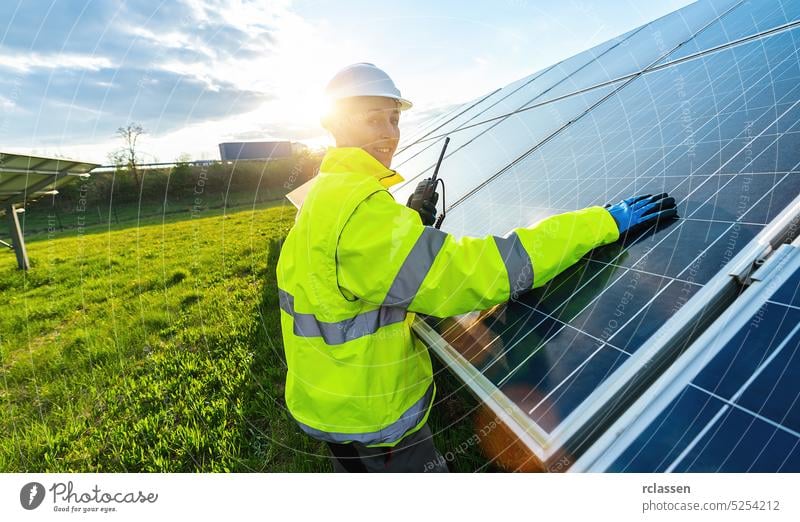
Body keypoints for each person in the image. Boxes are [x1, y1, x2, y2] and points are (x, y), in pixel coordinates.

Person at [275, 62, 677, 473]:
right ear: (334, 123)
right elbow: (477, 273)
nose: (389, 133)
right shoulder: (361, 213)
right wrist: (600, 223)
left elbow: (356, 269)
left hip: (326, 399)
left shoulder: (324, 194)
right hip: (371, 418)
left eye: (394, 118)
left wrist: (410, 223)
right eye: (372, 119)